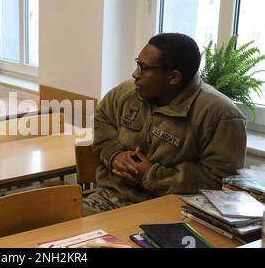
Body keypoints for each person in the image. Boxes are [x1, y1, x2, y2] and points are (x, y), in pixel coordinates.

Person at [83, 33, 247, 216]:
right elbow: (102, 121)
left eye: (143, 68)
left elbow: (220, 180)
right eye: (138, 63)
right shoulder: (126, 92)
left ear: (173, 77)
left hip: (170, 212)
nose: (135, 74)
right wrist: (115, 155)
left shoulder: (220, 114)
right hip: (107, 198)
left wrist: (151, 175)